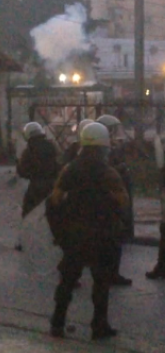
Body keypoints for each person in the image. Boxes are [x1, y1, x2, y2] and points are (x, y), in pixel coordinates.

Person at [46, 122, 130, 340]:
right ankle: (99, 326)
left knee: (67, 281)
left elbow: (54, 200)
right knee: (101, 283)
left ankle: (57, 322)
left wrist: (60, 232)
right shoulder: (109, 173)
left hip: (74, 234)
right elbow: (123, 202)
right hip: (101, 234)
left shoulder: (70, 169)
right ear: (104, 147)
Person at [96, 114, 133, 287]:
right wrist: (120, 168)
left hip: (114, 197)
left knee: (114, 238)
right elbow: (105, 171)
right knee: (111, 239)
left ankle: (110, 273)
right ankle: (108, 274)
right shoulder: (101, 150)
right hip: (109, 200)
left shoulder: (108, 147)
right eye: (111, 130)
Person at [15, 121, 60, 251]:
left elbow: (22, 171)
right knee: (54, 212)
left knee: (28, 212)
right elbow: (60, 163)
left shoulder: (29, 150)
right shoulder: (52, 146)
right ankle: (57, 239)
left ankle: (24, 241)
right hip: (52, 185)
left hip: (36, 186)